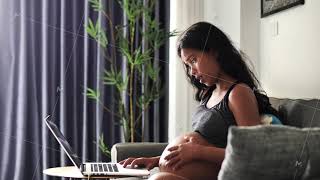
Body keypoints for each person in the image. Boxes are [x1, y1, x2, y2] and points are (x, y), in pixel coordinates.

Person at [119, 22, 281, 180]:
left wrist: (197, 151)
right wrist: (157, 159)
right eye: (188, 65)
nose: (192, 72)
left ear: (214, 52)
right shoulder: (209, 93)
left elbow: (251, 153)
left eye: (193, 60)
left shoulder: (238, 93)